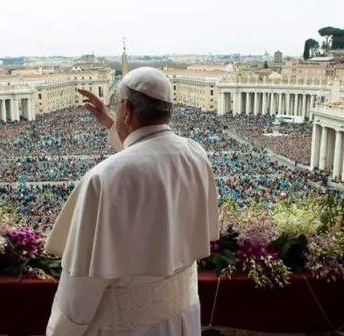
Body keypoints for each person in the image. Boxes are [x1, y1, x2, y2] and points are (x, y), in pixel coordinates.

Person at [45, 67, 220, 335]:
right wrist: (111, 122)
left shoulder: (102, 179)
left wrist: (59, 330)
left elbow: (80, 286)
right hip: (183, 318)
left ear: (126, 110)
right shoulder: (196, 154)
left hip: (127, 328)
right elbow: (150, 155)